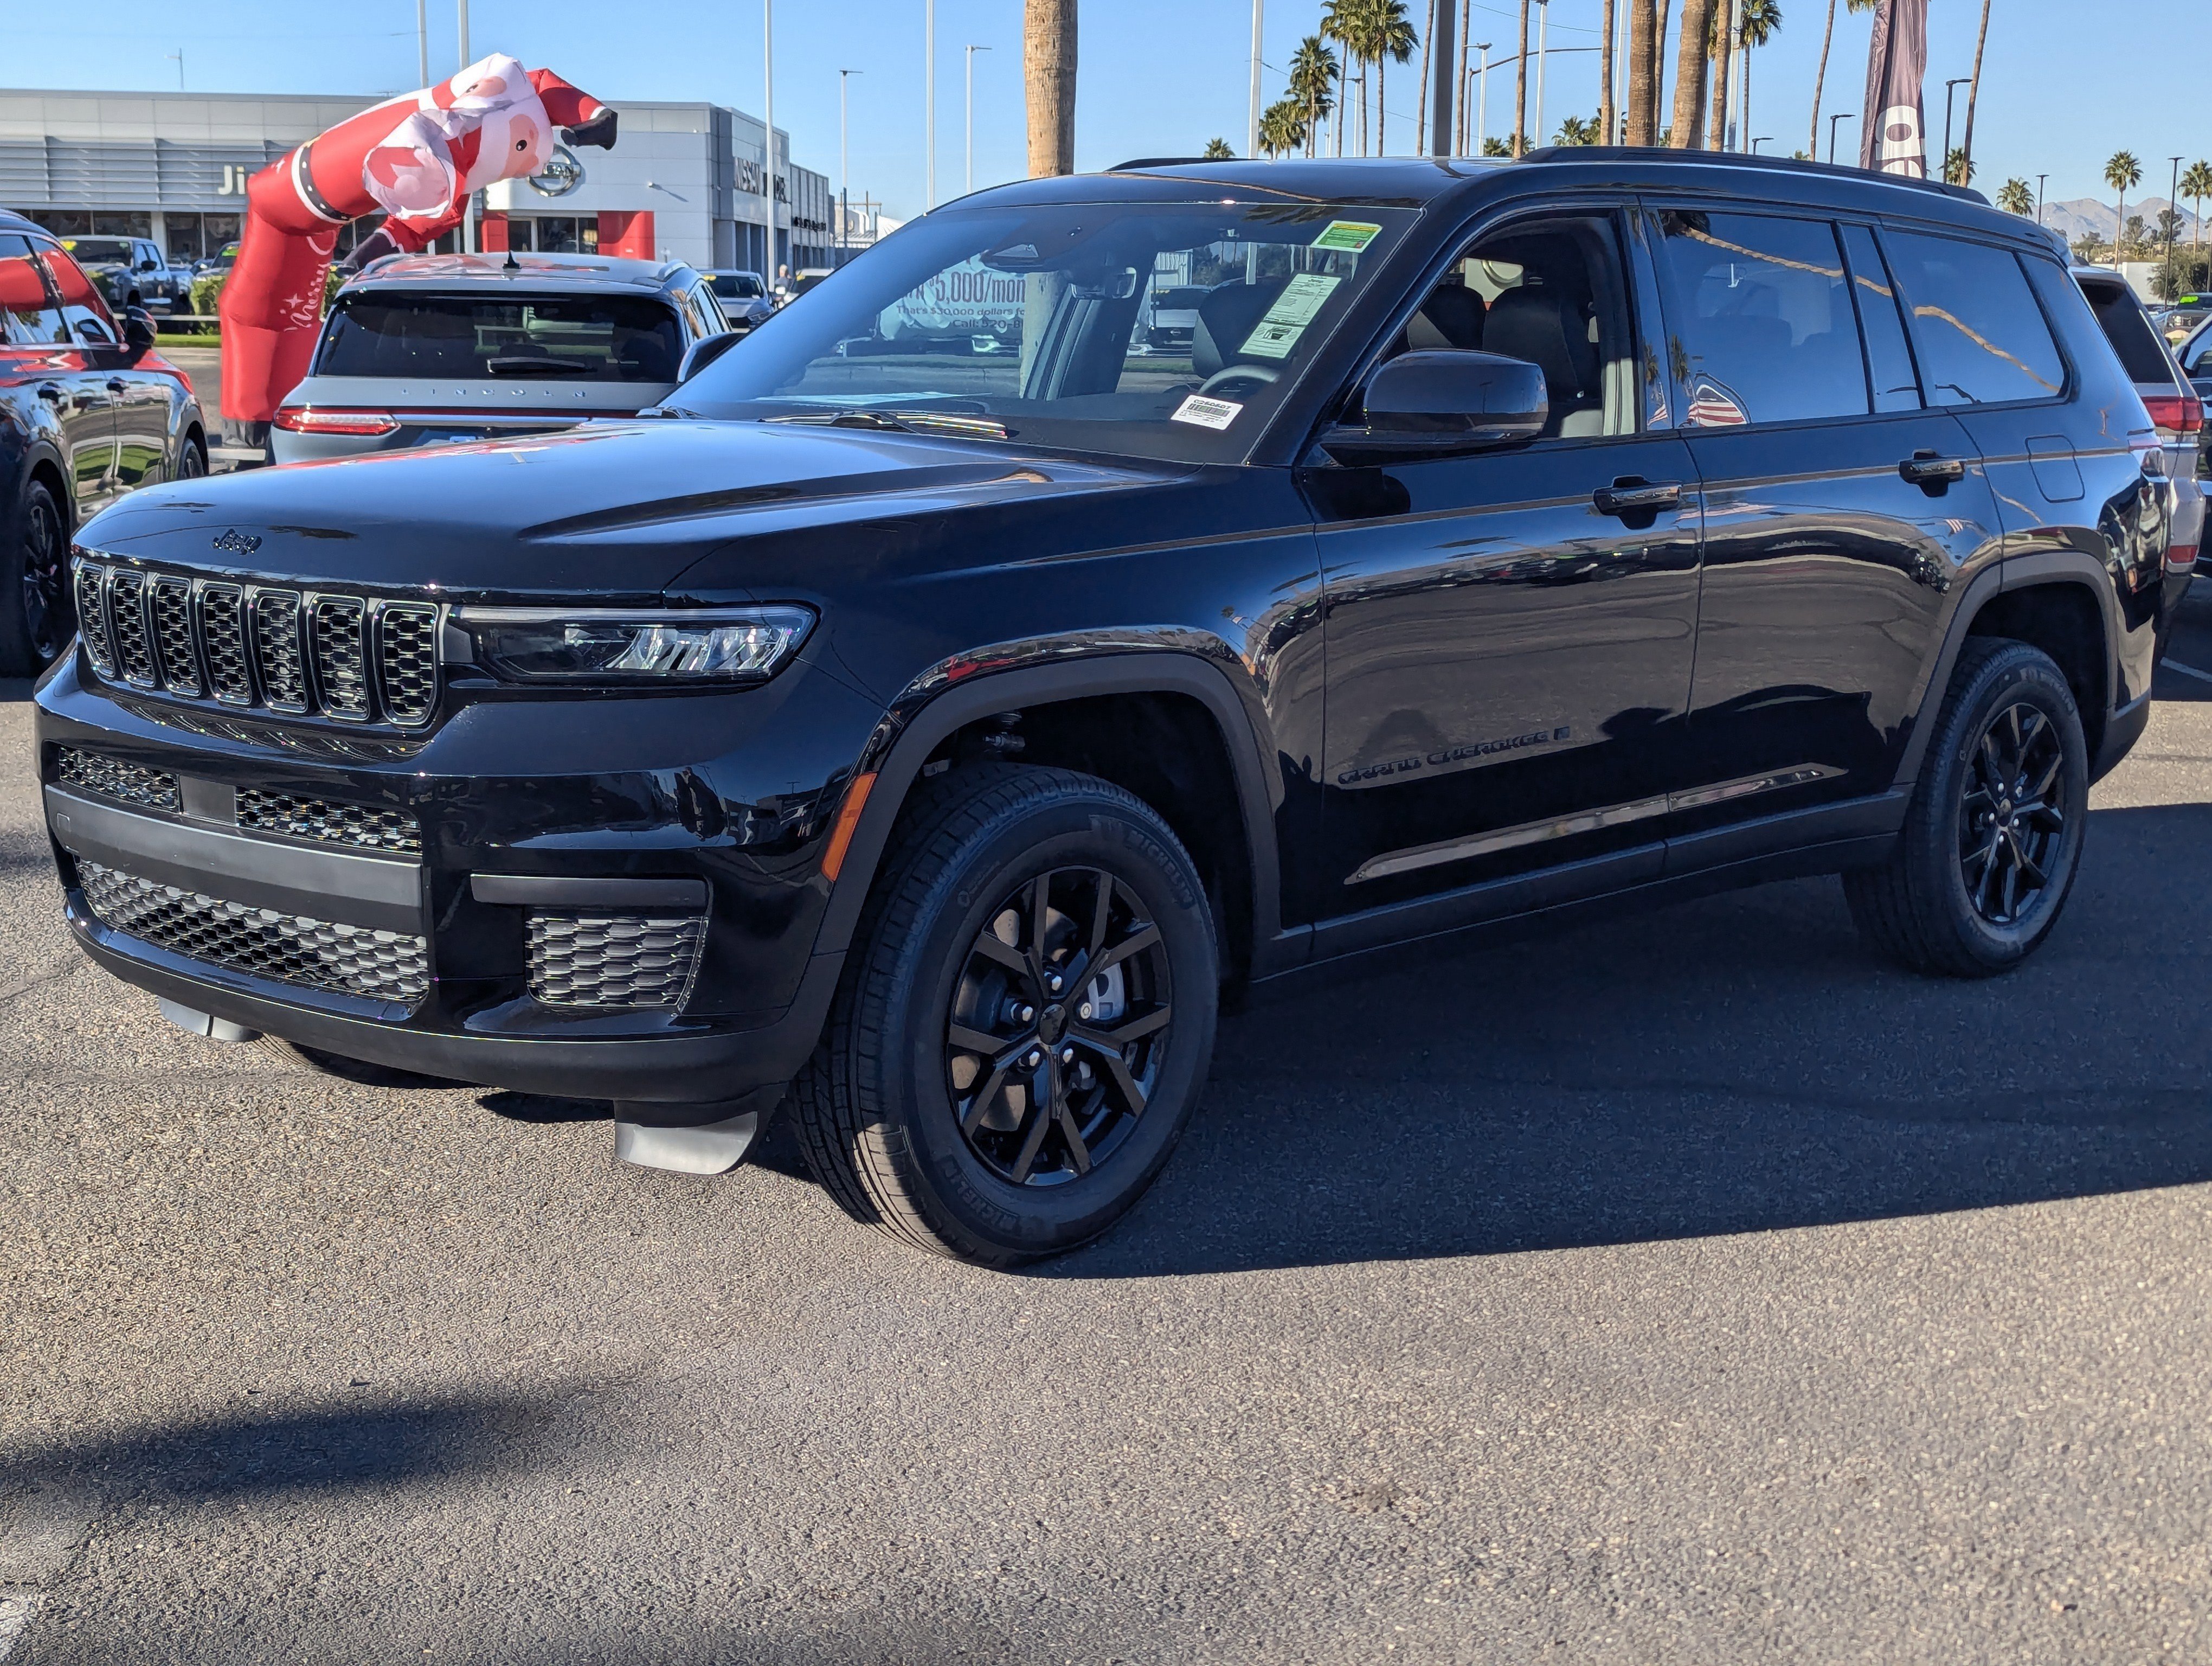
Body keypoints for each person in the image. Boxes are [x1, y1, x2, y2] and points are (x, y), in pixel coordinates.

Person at [217, 54, 617, 434]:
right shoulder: (446, 120)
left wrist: (378, 248)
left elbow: (531, 83)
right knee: (269, 317)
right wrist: (588, 112)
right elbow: (533, 81)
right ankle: (254, 423)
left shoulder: (455, 132)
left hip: (303, 217)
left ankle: (255, 428)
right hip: (293, 207)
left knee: (273, 318)